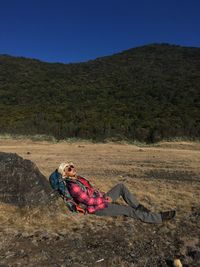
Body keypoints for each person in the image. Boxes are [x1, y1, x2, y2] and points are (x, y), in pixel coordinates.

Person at [57, 162, 176, 224]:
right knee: (127, 210)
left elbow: (91, 192)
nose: (73, 168)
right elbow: (89, 201)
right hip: (97, 208)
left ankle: (141, 208)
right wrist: (104, 200)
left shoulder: (77, 179)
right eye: (69, 168)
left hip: (99, 200)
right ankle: (157, 218)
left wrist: (102, 194)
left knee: (121, 187)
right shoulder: (73, 187)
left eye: (72, 166)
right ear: (65, 174)